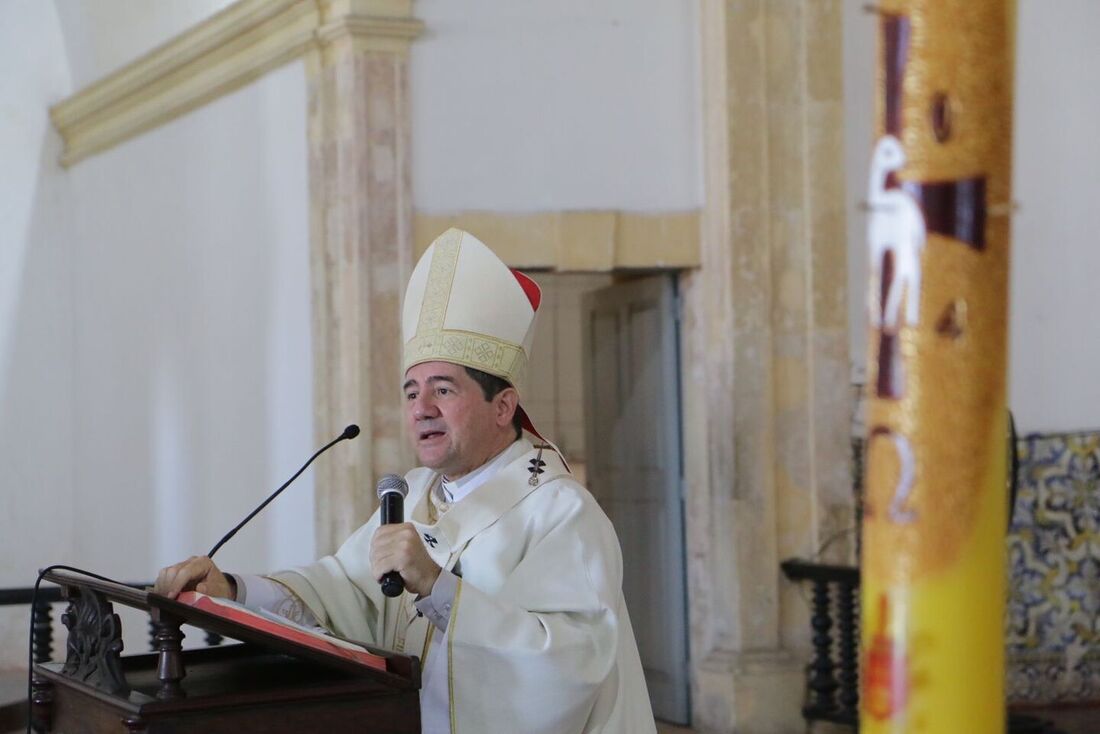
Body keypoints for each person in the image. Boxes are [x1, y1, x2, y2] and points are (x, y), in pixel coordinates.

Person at [155, 228, 656, 734]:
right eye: (412, 392)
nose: (422, 410)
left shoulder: (560, 512)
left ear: (503, 406)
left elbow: (571, 666)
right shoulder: (414, 494)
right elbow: (342, 591)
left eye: (444, 389)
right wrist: (233, 590)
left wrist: (440, 589)